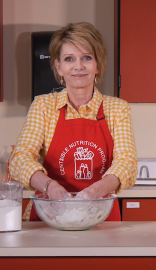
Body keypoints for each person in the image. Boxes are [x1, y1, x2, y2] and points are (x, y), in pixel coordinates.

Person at [9, 22, 138, 221]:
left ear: (98, 65)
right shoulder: (43, 106)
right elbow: (20, 159)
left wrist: (95, 192)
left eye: (87, 57)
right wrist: (50, 187)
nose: (78, 66)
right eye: (69, 59)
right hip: (49, 214)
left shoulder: (117, 109)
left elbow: (127, 163)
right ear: (59, 67)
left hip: (100, 214)